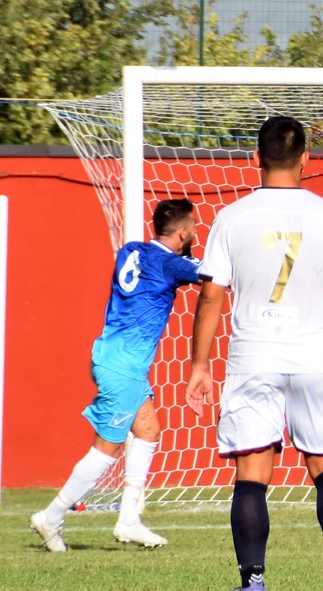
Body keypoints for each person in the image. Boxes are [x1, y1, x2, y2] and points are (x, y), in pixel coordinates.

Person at [187, 116, 323, 591]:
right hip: (316, 356)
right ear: (307, 158)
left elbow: (210, 296)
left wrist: (199, 364)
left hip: (254, 356)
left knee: (252, 472)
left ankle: (253, 587)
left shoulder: (231, 217)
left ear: (256, 159)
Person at [31, 198, 199, 553]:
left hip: (112, 356)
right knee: (107, 447)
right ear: (183, 232)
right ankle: (53, 515)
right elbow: (212, 274)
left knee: (148, 430)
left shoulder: (131, 250)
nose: (195, 233)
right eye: (194, 227)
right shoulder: (171, 264)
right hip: (122, 366)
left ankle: (128, 520)